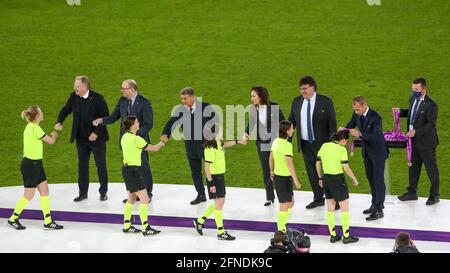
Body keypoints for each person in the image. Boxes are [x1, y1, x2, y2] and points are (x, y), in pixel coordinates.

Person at [93, 79, 155, 201]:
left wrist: (135, 135)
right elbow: (114, 117)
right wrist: (102, 120)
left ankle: (147, 193)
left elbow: (148, 124)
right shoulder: (122, 101)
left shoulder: (144, 102)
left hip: (138, 141)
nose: (121, 90)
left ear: (131, 89)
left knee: (143, 167)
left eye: (124, 88)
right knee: (130, 168)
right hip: (126, 142)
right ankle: (133, 195)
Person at [8, 106, 63, 230]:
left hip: (36, 164)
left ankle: (48, 221)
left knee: (44, 191)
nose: (43, 113)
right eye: (41, 111)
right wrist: (55, 134)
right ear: (37, 116)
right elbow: (50, 141)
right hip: (31, 166)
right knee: (29, 195)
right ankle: (13, 219)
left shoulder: (29, 127)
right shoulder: (35, 128)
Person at [160, 87, 219, 205]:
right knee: (195, 171)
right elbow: (171, 122)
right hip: (190, 145)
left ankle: (214, 194)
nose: (183, 101)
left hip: (205, 145)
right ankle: (201, 194)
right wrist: (166, 133)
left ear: (193, 97)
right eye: (181, 98)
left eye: (185, 98)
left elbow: (216, 122)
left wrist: (212, 136)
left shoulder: (206, 107)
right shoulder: (181, 110)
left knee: (210, 170)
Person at [55, 75, 110, 202]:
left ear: (85, 87)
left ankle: (103, 192)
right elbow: (65, 109)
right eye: (75, 86)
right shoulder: (74, 96)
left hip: (97, 139)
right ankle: (83, 193)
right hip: (81, 139)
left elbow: (106, 118)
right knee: (82, 167)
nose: (75, 88)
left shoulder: (98, 99)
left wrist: (96, 132)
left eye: (77, 86)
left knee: (100, 165)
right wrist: (59, 121)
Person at [288, 76, 337, 209]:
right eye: (300, 89)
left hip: (323, 144)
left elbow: (332, 124)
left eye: (304, 89)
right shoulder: (297, 101)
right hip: (305, 143)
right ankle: (318, 198)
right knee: (311, 171)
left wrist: (333, 144)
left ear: (312, 87)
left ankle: (334, 199)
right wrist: (287, 140)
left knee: (327, 172)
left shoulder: (325, 101)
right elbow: (291, 122)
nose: (302, 92)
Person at [192, 129, 246, 240]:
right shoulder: (210, 148)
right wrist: (211, 183)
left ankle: (200, 221)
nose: (222, 132)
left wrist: (237, 141)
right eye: (220, 131)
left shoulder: (218, 142)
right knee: (219, 203)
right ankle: (220, 232)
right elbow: (206, 168)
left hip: (219, 176)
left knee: (219, 203)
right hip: (215, 178)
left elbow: (225, 144)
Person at [396, 77, 440, 205]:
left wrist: (416, 131)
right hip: (413, 142)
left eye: (417, 89)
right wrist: (401, 112)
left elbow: (431, 124)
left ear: (424, 89)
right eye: (412, 89)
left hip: (426, 143)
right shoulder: (412, 98)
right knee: (413, 168)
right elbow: (412, 114)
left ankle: (434, 194)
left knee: (431, 169)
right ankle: (412, 192)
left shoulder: (431, 104)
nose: (414, 92)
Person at [344, 96, 388, 221]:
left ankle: (379, 209)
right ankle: (374, 204)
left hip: (378, 153)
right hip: (367, 153)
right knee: (371, 178)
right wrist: (343, 131)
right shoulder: (357, 114)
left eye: (358, 109)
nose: (356, 112)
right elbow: (350, 125)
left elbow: (376, 136)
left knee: (378, 180)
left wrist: (360, 134)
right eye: (355, 110)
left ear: (364, 106)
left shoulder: (375, 117)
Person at [120, 116, 164, 236]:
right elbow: (154, 148)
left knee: (131, 199)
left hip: (126, 170)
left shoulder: (124, 137)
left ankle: (127, 225)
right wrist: (162, 142)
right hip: (134, 171)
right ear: (132, 125)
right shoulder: (137, 139)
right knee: (145, 199)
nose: (139, 123)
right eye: (137, 122)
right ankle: (145, 228)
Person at [243, 86, 285, 206]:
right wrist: (246, 134)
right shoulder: (253, 109)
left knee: (279, 170)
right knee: (266, 170)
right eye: (251, 96)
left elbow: (283, 123)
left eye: (253, 96)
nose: (251, 99)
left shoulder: (274, 107)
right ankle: (270, 197)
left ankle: (283, 195)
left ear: (261, 96)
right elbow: (250, 124)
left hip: (275, 144)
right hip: (262, 143)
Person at [316, 130, 359, 244]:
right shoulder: (341, 149)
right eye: (346, 141)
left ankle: (333, 235)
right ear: (343, 140)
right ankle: (346, 236)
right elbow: (346, 167)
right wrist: (354, 178)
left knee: (330, 207)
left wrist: (320, 178)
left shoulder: (324, 146)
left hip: (326, 179)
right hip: (338, 180)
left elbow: (317, 163)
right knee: (344, 208)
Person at [269, 120, 301, 233]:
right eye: (292, 128)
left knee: (290, 202)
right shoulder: (288, 145)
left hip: (281, 177)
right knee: (284, 204)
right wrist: (296, 180)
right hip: (283, 179)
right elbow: (289, 163)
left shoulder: (276, 141)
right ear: (287, 131)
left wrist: (271, 171)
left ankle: (283, 225)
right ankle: (281, 230)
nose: (293, 130)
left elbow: (271, 157)